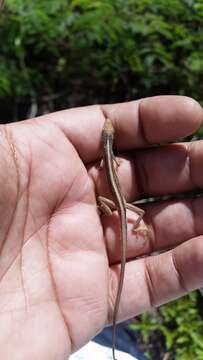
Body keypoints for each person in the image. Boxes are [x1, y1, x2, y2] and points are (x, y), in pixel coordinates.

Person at [0, 95, 202, 359]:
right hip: (122, 205)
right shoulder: (111, 158)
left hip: (115, 203)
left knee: (108, 205)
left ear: (103, 141)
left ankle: (130, 223)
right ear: (111, 141)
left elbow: (107, 163)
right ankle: (139, 226)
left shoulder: (105, 159)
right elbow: (111, 162)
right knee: (136, 212)